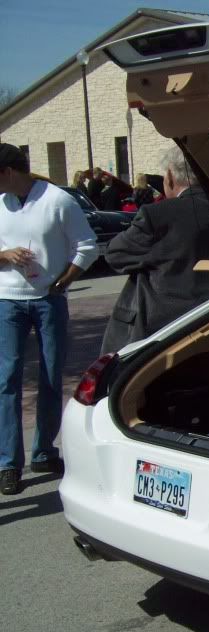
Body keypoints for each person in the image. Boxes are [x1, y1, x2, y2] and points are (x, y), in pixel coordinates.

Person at [0, 143, 98, 495]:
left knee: (50, 376)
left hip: (48, 301)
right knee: (6, 380)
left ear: (9, 172)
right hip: (7, 301)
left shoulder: (57, 200)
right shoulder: (1, 204)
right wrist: (5, 254)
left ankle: (43, 450)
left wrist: (65, 279)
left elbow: (87, 245)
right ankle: (8, 463)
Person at [101, 146, 209, 355]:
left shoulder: (158, 215)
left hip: (165, 328)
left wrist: (151, 257)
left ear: (171, 176)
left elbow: (115, 254)